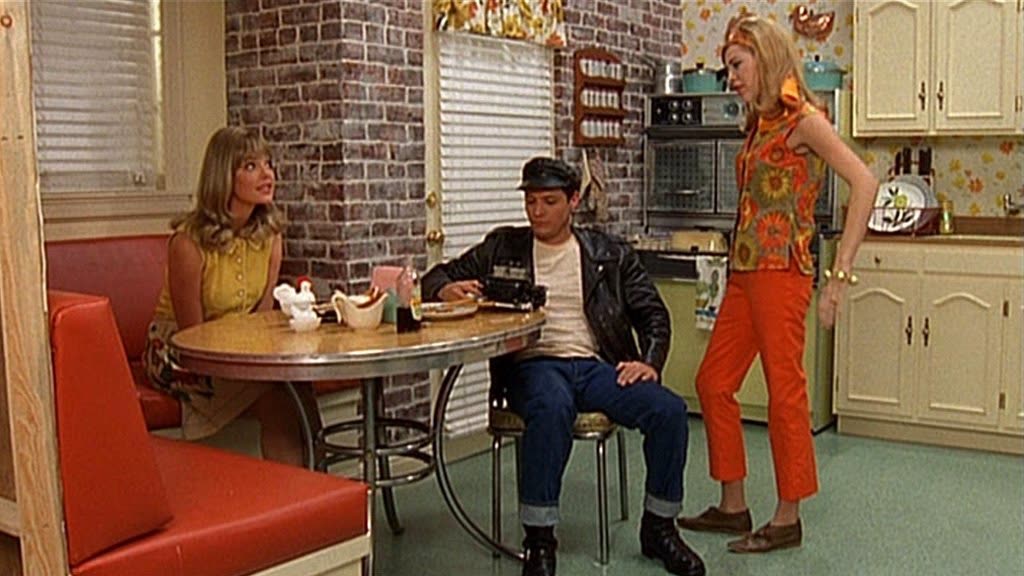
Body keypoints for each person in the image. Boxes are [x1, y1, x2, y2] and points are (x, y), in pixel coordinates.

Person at [422, 156, 705, 576]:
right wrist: (446, 289)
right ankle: (539, 542)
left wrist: (649, 362)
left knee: (669, 410)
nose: (537, 212)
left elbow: (653, 315)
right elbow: (434, 277)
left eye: (549, 201)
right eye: (531, 201)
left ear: (573, 201)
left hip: (594, 365)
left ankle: (659, 528)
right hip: (533, 364)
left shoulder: (608, 253)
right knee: (551, 406)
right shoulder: (503, 246)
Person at [677, 15, 878, 553]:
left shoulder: (804, 121)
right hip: (745, 273)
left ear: (764, 58)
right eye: (728, 69)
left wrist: (838, 277)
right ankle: (733, 506)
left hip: (782, 274)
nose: (732, 79)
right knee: (713, 382)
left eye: (737, 66)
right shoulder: (759, 122)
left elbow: (865, 183)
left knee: (785, 394)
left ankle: (787, 517)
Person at [144, 126, 319, 467]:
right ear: (224, 176)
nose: (267, 174)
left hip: (239, 346)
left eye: (268, 164)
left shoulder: (270, 236)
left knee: (294, 384)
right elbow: (191, 337)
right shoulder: (188, 242)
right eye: (251, 166)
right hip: (177, 351)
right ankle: (302, 486)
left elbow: (261, 320)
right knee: (280, 392)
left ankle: (312, 481)